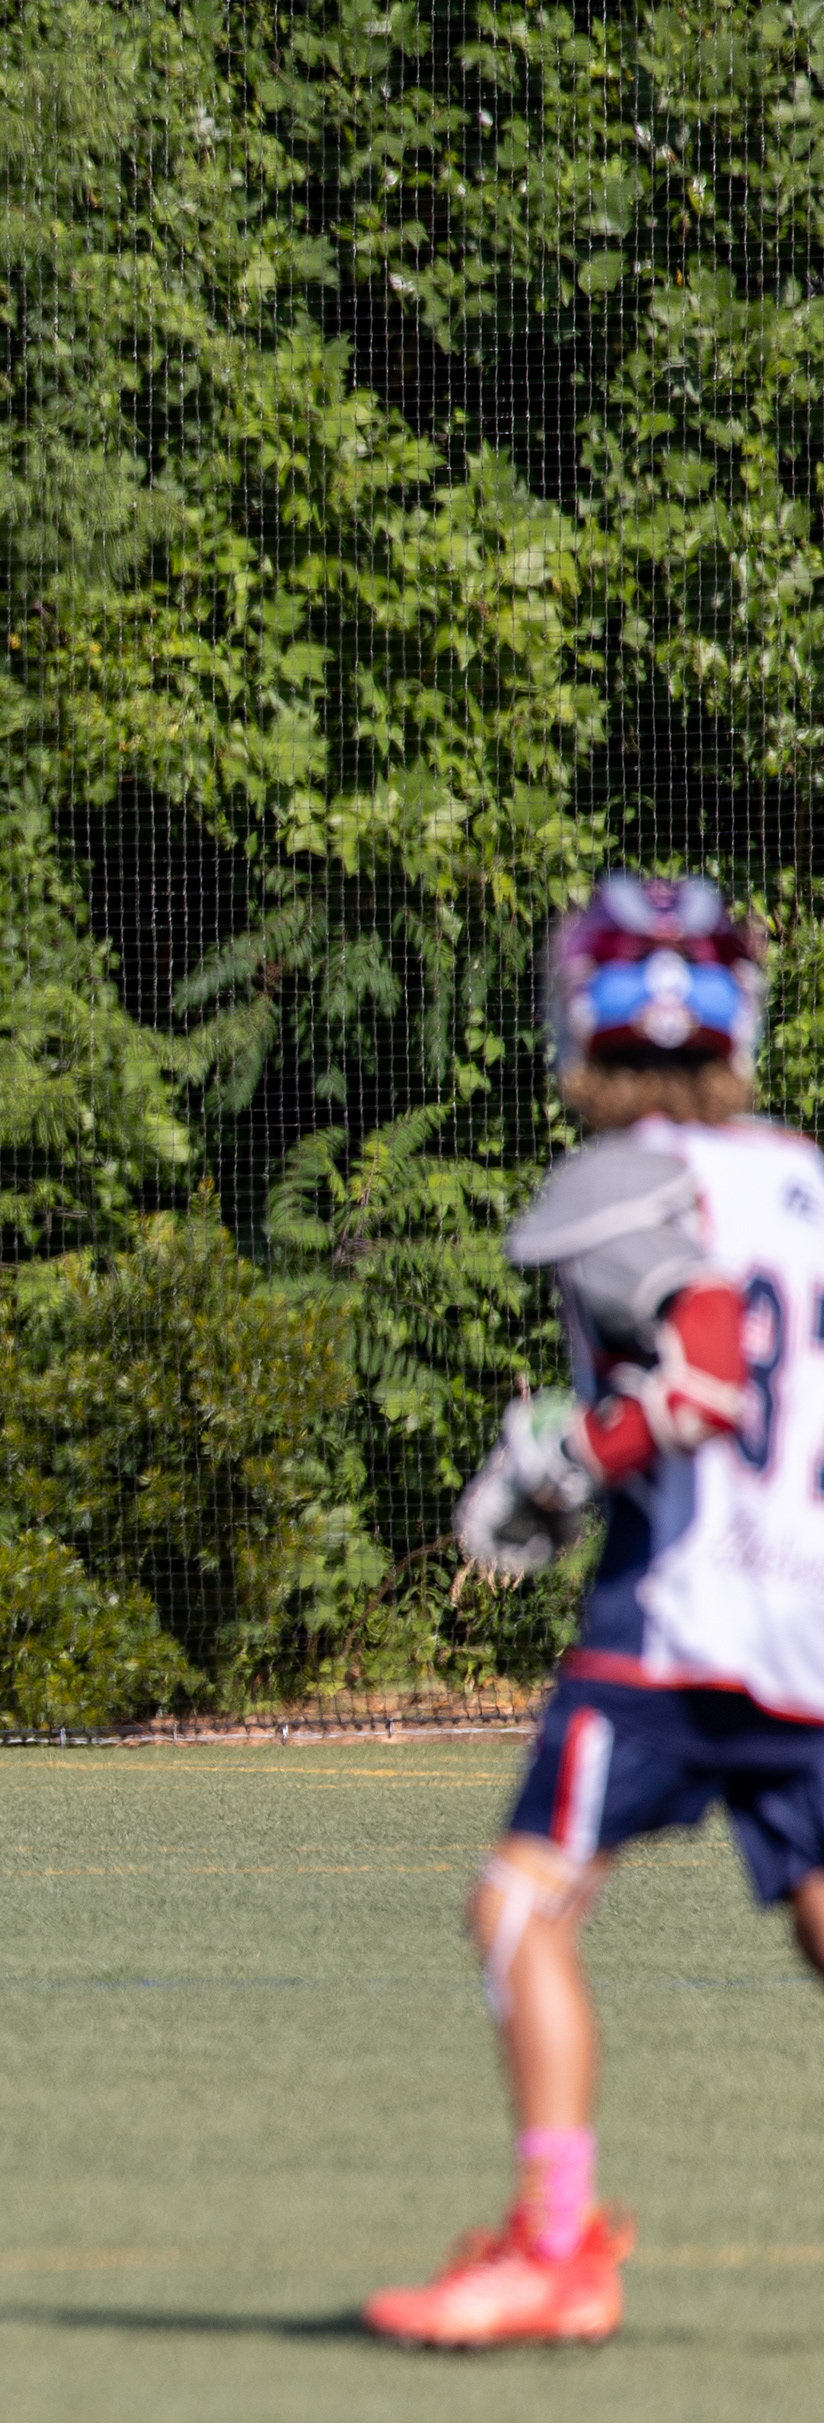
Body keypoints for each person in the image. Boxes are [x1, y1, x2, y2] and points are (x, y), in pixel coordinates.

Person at [367, 873, 820, 2348]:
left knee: (519, 1908)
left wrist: (570, 1457)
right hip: (814, 1620)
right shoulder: (807, 1180)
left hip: (680, 1620)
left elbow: (705, 1371)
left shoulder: (619, 1178)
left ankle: (557, 2248)